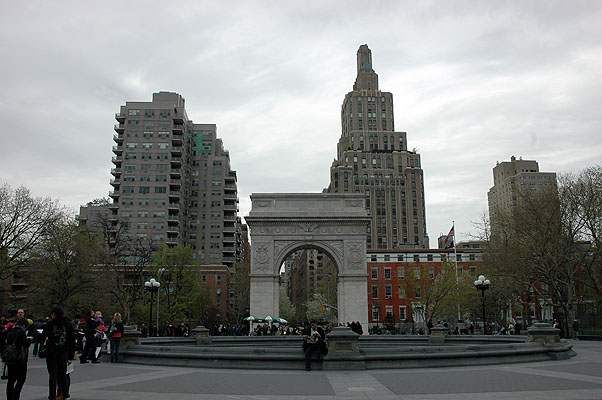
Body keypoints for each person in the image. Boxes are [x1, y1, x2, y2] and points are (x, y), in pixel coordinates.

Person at [39, 307, 75, 400]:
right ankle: (65, 394)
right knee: (63, 374)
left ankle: (52, 395)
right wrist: (71, 356)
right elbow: (71, 340)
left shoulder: (50, 324)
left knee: (52, 375)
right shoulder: (68, 324)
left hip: (51, 352)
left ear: (53, 314)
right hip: (64, 352)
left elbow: (43, 337)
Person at [5, 318, 30, 400]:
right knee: (21, 379)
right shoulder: (21, 332)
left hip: (10, 358)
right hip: (19, 359)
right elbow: (25, 344)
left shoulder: (10, 331)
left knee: (11, 380)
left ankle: (9, 397)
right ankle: (15, 396)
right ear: (24, 325)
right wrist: (29, 340)